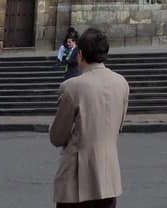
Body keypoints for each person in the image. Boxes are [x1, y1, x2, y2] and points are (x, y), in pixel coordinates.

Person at [49, 26, 130, 208]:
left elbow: (57, 137)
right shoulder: (122, 84)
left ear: (80, 54)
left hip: (77, 179)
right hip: (108, 177)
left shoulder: (72, 87)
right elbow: (118, 126)